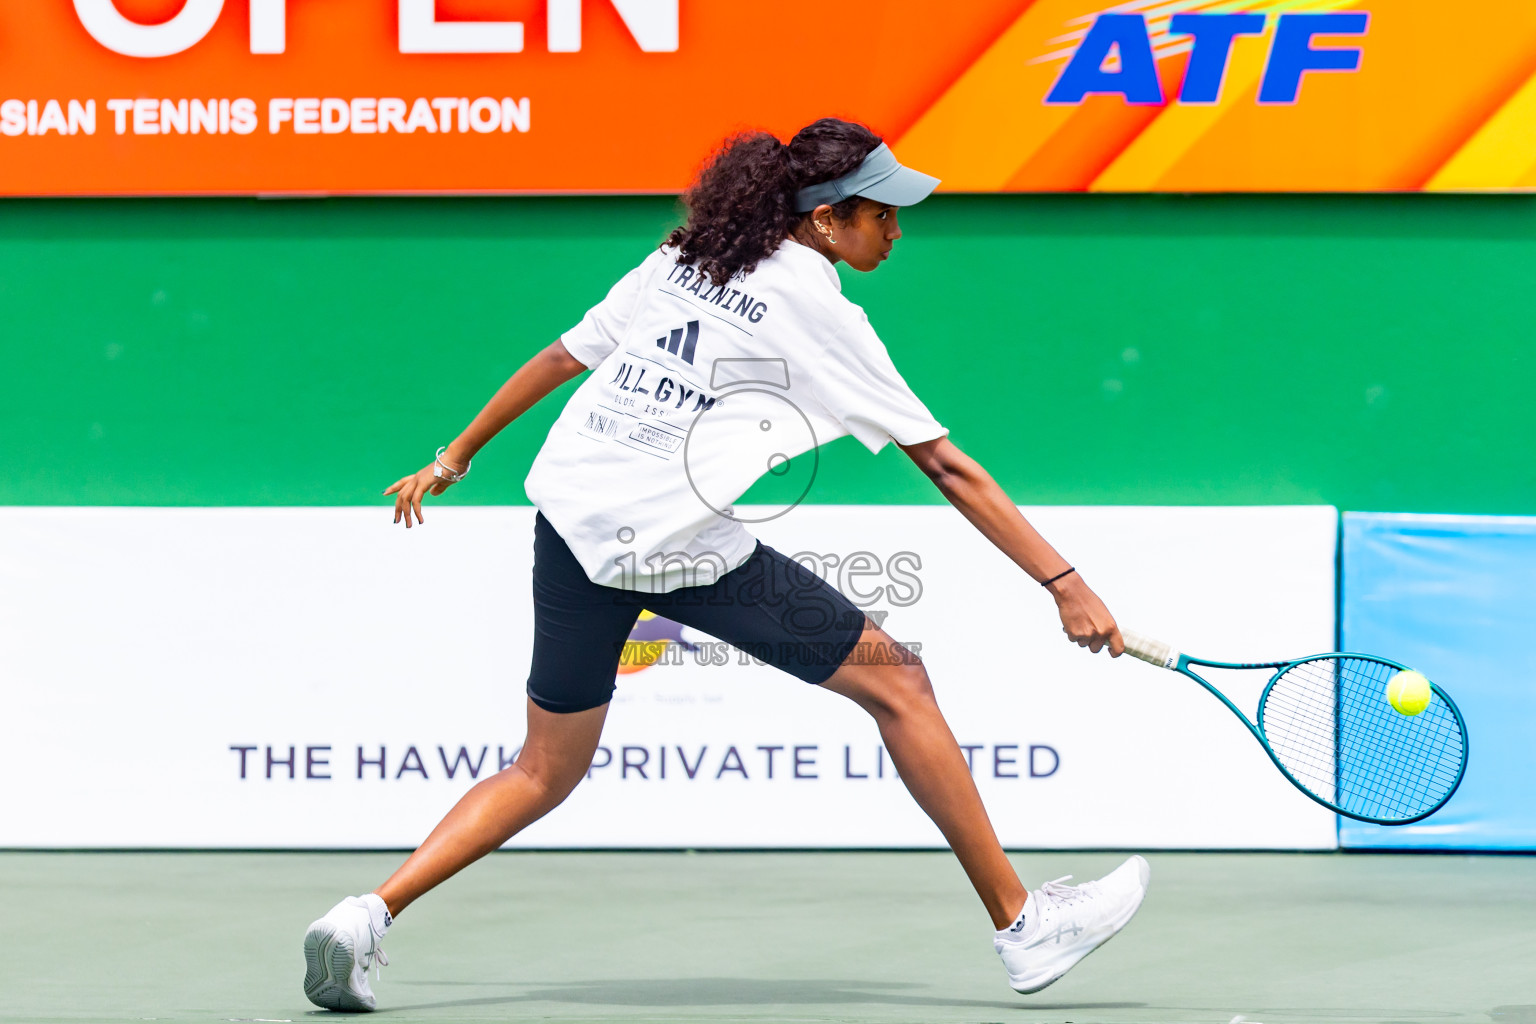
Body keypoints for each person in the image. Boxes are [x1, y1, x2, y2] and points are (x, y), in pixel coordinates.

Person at [300, 118, 1148, 1012]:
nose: (897, 230)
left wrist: (456, 455)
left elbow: (561, 356)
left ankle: (366, 915)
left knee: (542, 771)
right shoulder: (816, 304)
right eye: (883, 213)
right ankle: (1024, 927)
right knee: (901, 685)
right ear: (826, 219)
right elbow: (944, 463)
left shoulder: (682, 259)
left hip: (571, 526)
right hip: (671, 545)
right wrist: (1065, 583)